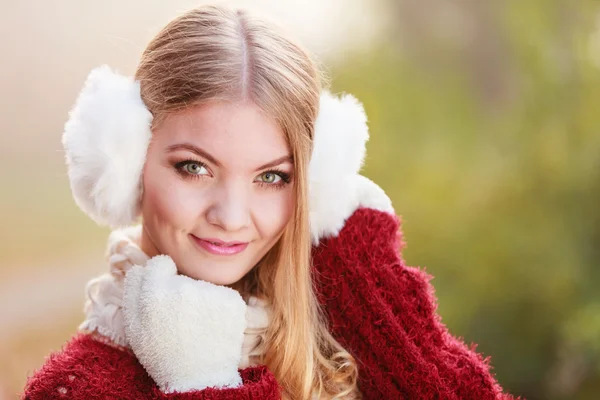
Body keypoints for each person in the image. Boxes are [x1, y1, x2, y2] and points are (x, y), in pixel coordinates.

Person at [22, 5, 519, 400]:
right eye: (194, 167)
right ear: (127, 161)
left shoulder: (336, 335)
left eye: (272, 176)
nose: (232, 217)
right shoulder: (77, 387)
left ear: (312, 185)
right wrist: (203, 386)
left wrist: (374, 294)